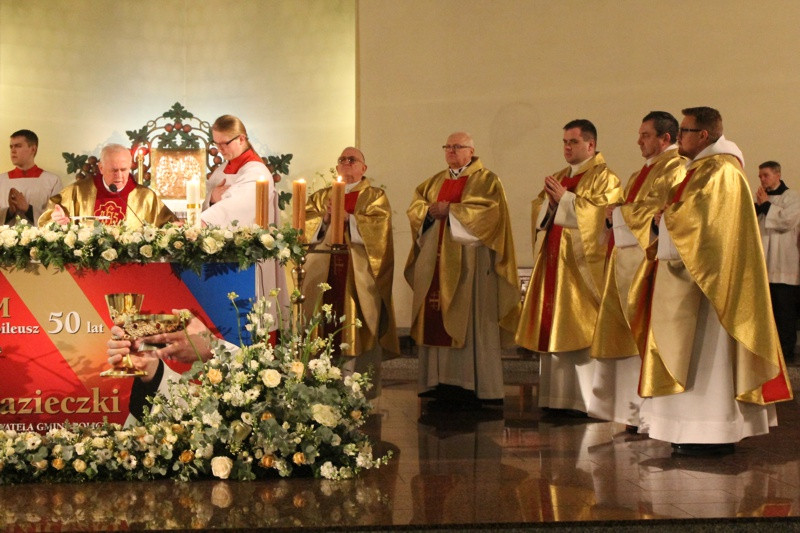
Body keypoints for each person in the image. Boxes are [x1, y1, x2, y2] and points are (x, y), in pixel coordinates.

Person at [638, 107, 793, 455]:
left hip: (713, 291)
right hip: (698, 282)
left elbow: (701, 224)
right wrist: (664, 219)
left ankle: (710, 432)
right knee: (693, 356)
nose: (679, 138)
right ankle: (689, 430)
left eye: (685, 132)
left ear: (703, 135)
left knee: (709, 359)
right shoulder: (703, 169)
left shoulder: (721, 170)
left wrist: (665, 220)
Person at [405, 132, 520, 409]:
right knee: (436, 314)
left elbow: (491, 215)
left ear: (471, 151)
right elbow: (416, 207)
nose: (451, 151)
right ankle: (437, 381)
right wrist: (429, 212)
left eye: (458, 147)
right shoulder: (433, 182)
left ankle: (470, 383)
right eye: (448, 147)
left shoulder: (487, 180)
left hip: (471, 265)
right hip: (435, 261)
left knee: (470, 320)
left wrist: (453, 212)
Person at [515, 119, 622, 415]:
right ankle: (556, 399)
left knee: (582, 330)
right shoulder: (561, 175)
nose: (567, 147)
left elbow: (604, 219)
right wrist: (550, 206)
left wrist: (566, 200)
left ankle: (586, 403)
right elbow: (540, 213)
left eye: (573, 142)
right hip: (555, 266)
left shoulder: (606, 178)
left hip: (582, 271)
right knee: (554, 330)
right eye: (564, 142)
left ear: (591, 145)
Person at [587, 112, 685, 428]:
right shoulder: (641, 172)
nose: (639, 140)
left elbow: (659, 213)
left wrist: (620, 213)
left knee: (645, 339)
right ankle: (633, 412)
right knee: (628, 341)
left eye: (645, 135)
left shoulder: (675, 168)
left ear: (665, 138)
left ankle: (649, 415)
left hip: (650, 264)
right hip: (626, 263)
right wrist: (615, 215)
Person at [303, 147, 399, 393]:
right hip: (324, 273)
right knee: (322, 324)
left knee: (354, 325)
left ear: (363, 168)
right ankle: (319, 386)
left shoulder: (374, 196)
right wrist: (324, 220)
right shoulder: (322, 196)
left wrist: (350, 220)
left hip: (356, 275)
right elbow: (303, 225)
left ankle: (352, 387)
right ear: (337, 168)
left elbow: (381, 229)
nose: (346, 163)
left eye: (352, 160)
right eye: (342, 160)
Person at [202, 115, 288, 340]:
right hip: (224, 259)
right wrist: (211, 198)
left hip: (250, 260)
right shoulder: (224, 168)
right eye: (216, 143)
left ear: (241, 139)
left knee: (252, 317)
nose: (220, 149)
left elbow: (235, 207)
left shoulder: (256, 172)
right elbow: (211, 198)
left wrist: (202, 221)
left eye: (224, 143)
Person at [38, 143, 176, 227]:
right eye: (114, 170)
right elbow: (48, 220)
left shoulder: (146, 197)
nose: (119, 176)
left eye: (124, 170)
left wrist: (178, 229)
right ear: (101, 168)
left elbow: (169, 227)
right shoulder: (78, 192)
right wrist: (55, 220)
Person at [755, 160, 800, 364]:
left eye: (765, 175)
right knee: (767, 312)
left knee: (785, 312)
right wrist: (757, 208)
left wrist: (765, 205)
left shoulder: (793, 197)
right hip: (764, 264)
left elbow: (786, 221)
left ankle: (787, 352)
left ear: (777, 175)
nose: (762, 179)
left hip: (784, 265)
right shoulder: (760, 200)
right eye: (760, 176)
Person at [0, 129, 62, 225]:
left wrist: (28, 209)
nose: (13, 150)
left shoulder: (52, 181)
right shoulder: (1, 180)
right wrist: (9, 212)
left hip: (40, 239)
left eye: (18, 146)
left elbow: (56, 217)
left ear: (33, 149)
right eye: (11, 146)